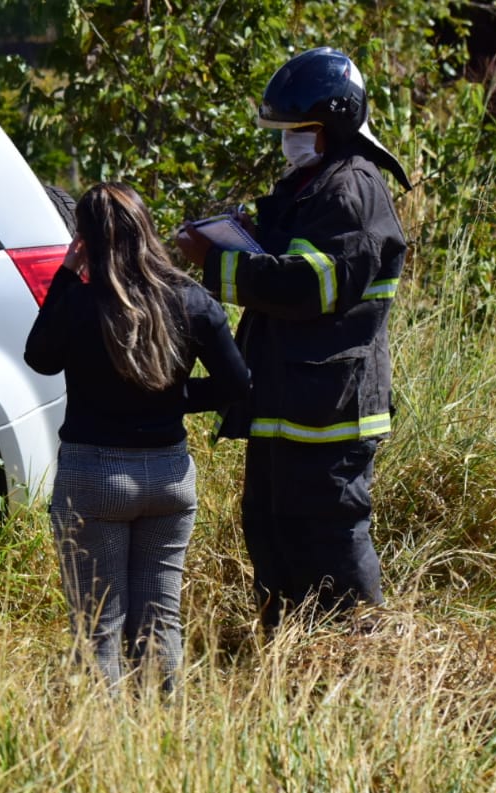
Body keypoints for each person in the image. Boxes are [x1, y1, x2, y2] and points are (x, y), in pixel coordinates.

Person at [176, 47, 411, 631]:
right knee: (271, 528)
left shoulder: (351, 188)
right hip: (289, 403)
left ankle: (359, 657)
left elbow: (311, 285)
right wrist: (250, 233)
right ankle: (288, 656)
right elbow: (286, 247)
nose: (289, 143)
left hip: (330, 408)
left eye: (299, 131)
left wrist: (218, 263)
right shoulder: (314, 182)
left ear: (332, 124)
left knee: (329, 536)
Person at [25, 182, 249, 696]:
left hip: (96, 476)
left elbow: (40, 356)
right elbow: (239, 383)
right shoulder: (190, 297)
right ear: (146, 227)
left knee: (98, 625)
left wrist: (64, 272)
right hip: (169, 478)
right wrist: (170, 398)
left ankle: (106, 747)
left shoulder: (82, 301)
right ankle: (161, 735)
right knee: (159, 619)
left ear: (84, 238)